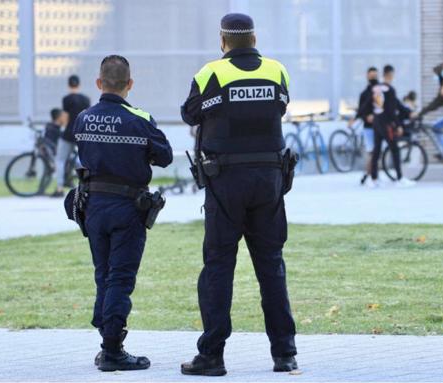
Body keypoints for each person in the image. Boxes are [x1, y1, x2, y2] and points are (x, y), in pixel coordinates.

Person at [180, 13, 298, 376]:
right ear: (254, 38)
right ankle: (284, 355)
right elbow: (279, 107)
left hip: (225, 182)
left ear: (223, 40)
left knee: (218, 266)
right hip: (269, 181)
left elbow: (190, 115)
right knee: (271, 267)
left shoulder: (210, 74)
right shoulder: (277, 70)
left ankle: (212, 356)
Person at [72, 55, 173, 371]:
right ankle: (113, 350)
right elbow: (165, 157)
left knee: (103, 274)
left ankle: (107, 340)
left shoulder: (83, 118)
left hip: (93, 206)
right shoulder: (139, 118)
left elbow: (85, 155)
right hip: (128, 208)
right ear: (129, 84)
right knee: (120, 277)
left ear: (99, 83)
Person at [369, 65, 415, 187]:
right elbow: (392, 109)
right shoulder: (389, 89)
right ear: (390, 74)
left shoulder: (376, 88)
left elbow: (393, 104)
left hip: (376, 122)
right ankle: (399, 178)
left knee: (376, 150)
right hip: (386, 124)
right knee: (394, 149)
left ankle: (374, 179)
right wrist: (397, 125)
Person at [52, 75, 91, 197]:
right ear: (79, 85)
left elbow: (65, 117)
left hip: (69, 133)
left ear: (68, 85)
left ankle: (59, 188)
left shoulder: (66, 99)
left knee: (60, 160)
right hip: (82, 133)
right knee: (85, 160)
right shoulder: (86, 99)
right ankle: (88, 186)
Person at [349, 66, 379, 186]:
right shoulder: (365, 93)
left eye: (375, 76)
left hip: (379, 126)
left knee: (376, 153)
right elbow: (361, 110)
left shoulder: (379, 90)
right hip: (368, 127)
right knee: (372, 152)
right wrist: (365, 117)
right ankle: (369, 175)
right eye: (372, 76)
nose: (373, 78)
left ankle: (371, 175)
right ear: (367, 76)